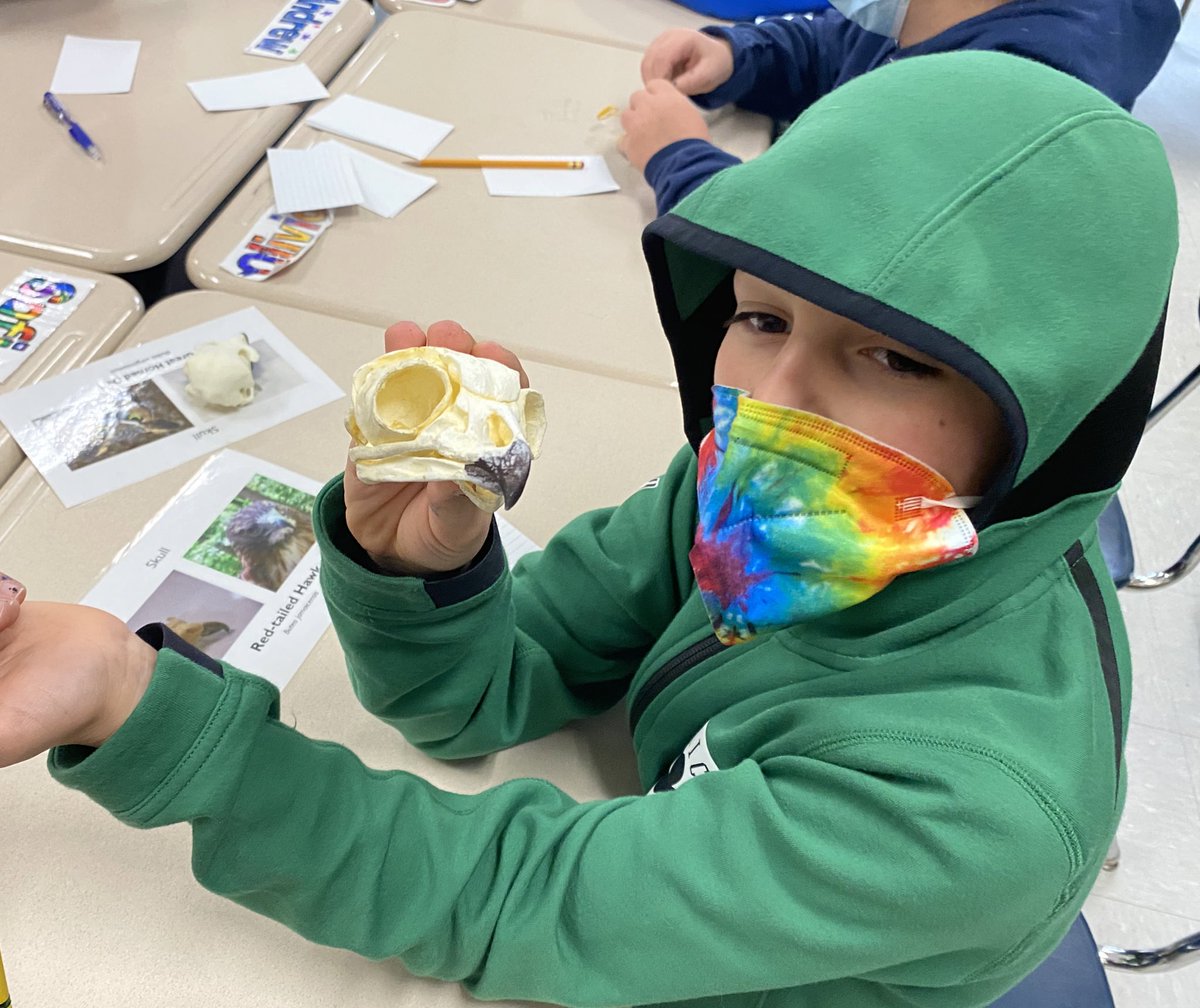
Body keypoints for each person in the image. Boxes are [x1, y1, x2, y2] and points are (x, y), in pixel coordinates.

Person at [0, 52, 1180, 1007]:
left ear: (1055, 423)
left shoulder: (968, 806)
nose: (775, 398)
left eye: (897, 354)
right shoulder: (765, 490)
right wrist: (430, 572)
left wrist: (133, 703)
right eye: (761, 316)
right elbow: (480, 700)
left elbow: (518, 902)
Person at [620, 0, 1181, 213]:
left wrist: (679, 158)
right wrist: (738, 57)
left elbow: (803, 264)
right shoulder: (937, 12)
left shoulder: (998, 104)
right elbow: (838, 48)